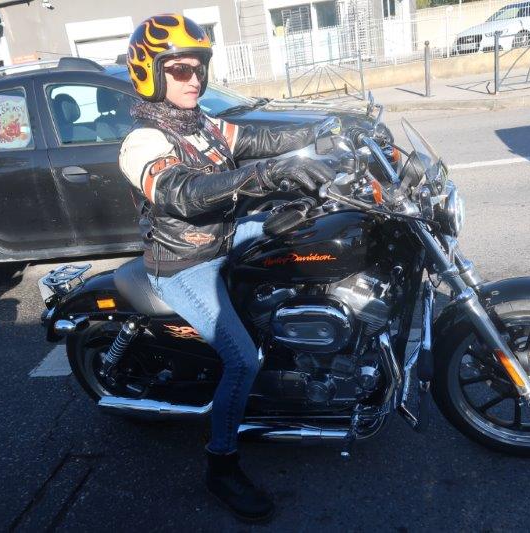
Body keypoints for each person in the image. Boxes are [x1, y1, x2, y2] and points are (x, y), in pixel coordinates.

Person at [119, 14, 333, 523]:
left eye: (199, 67)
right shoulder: (142, 142)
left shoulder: (202, 125)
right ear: (150, 73)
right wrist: (264, 176)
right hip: (183, 263)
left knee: (313, 229)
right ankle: (221, 465)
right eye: (180, 69)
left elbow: (259, 140)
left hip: (227, 237)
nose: (194, 78)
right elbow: (184, 193)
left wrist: (330, 129)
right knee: (243, 361)